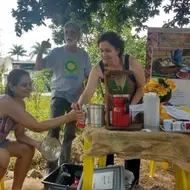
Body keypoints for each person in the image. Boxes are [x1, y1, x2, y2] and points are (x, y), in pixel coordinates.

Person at [72, 31, 146, 185]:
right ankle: (106, 182)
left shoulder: (131, 62)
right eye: (101, 50)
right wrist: (79, 104)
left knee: (131, 146)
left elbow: (142, 87)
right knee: (107, 145)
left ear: (117, 50)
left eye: (107, 50)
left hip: (133, 108)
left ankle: (133, 183)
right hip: (111, 111)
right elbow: (87, 93)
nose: (103, 54)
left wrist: (131, 107)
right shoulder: (98, 68)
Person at [0, 69, 84, 190]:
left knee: (27, 150)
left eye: (30, 84)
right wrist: (68, 117)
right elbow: (36, 126)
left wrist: (38, 145)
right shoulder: (6, 102)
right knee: (3, 157)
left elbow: (20, 135)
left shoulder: (20, 104)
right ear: (12, 87)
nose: (29, 87)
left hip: (1, 142)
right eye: (24, 85)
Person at [35, 21, 92, 174]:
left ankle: (64, 166)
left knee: (70, 134)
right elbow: (39, 66)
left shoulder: (84, 55)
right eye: (67, 32)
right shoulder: (56, 52)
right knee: (53, 131)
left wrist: (83, 91)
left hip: (76, 99)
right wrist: (41, 49)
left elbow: (89, 76)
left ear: (79, 36)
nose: (69, 35)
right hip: (59, 96)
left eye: (73, 32)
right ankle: (50, 168)